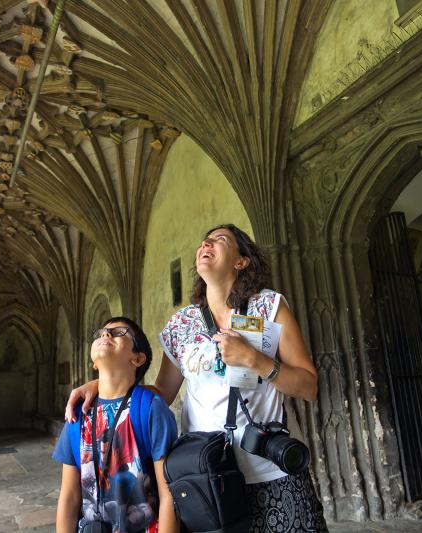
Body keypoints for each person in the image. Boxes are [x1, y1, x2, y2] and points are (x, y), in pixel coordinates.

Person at [66, 224, 327, 532]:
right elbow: (161, 392)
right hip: (207, 476)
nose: (206, 242)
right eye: (205, 240)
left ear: (241, 261)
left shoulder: (268, 306)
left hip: (270, 470)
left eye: (220, 240)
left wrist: (254, 359)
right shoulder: (181, 324)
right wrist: (104, 384)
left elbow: (309, 386)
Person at [54, 317, 179, 533]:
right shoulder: (78, 414)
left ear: (138, 358)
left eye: (119, 332)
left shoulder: (149, 409)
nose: (105, 334)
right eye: (101, 332)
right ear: (93, 362)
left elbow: (169, 493)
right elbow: (69, 497)